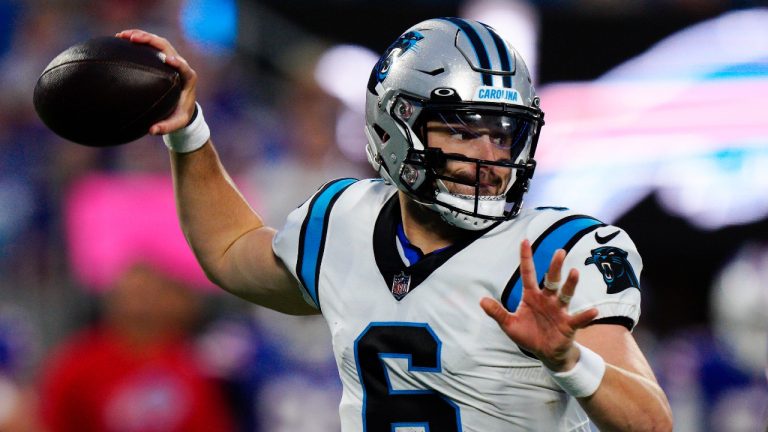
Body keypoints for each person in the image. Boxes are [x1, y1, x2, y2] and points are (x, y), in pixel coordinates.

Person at [116, 17, 673, 431]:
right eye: (461, 130)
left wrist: (569, 360)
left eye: (503, 134)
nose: (488, 156)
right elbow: (231, 249)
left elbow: (652, 423)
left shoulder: (557, 253)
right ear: (394, 126)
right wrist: (188, 131)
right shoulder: (345, 221)